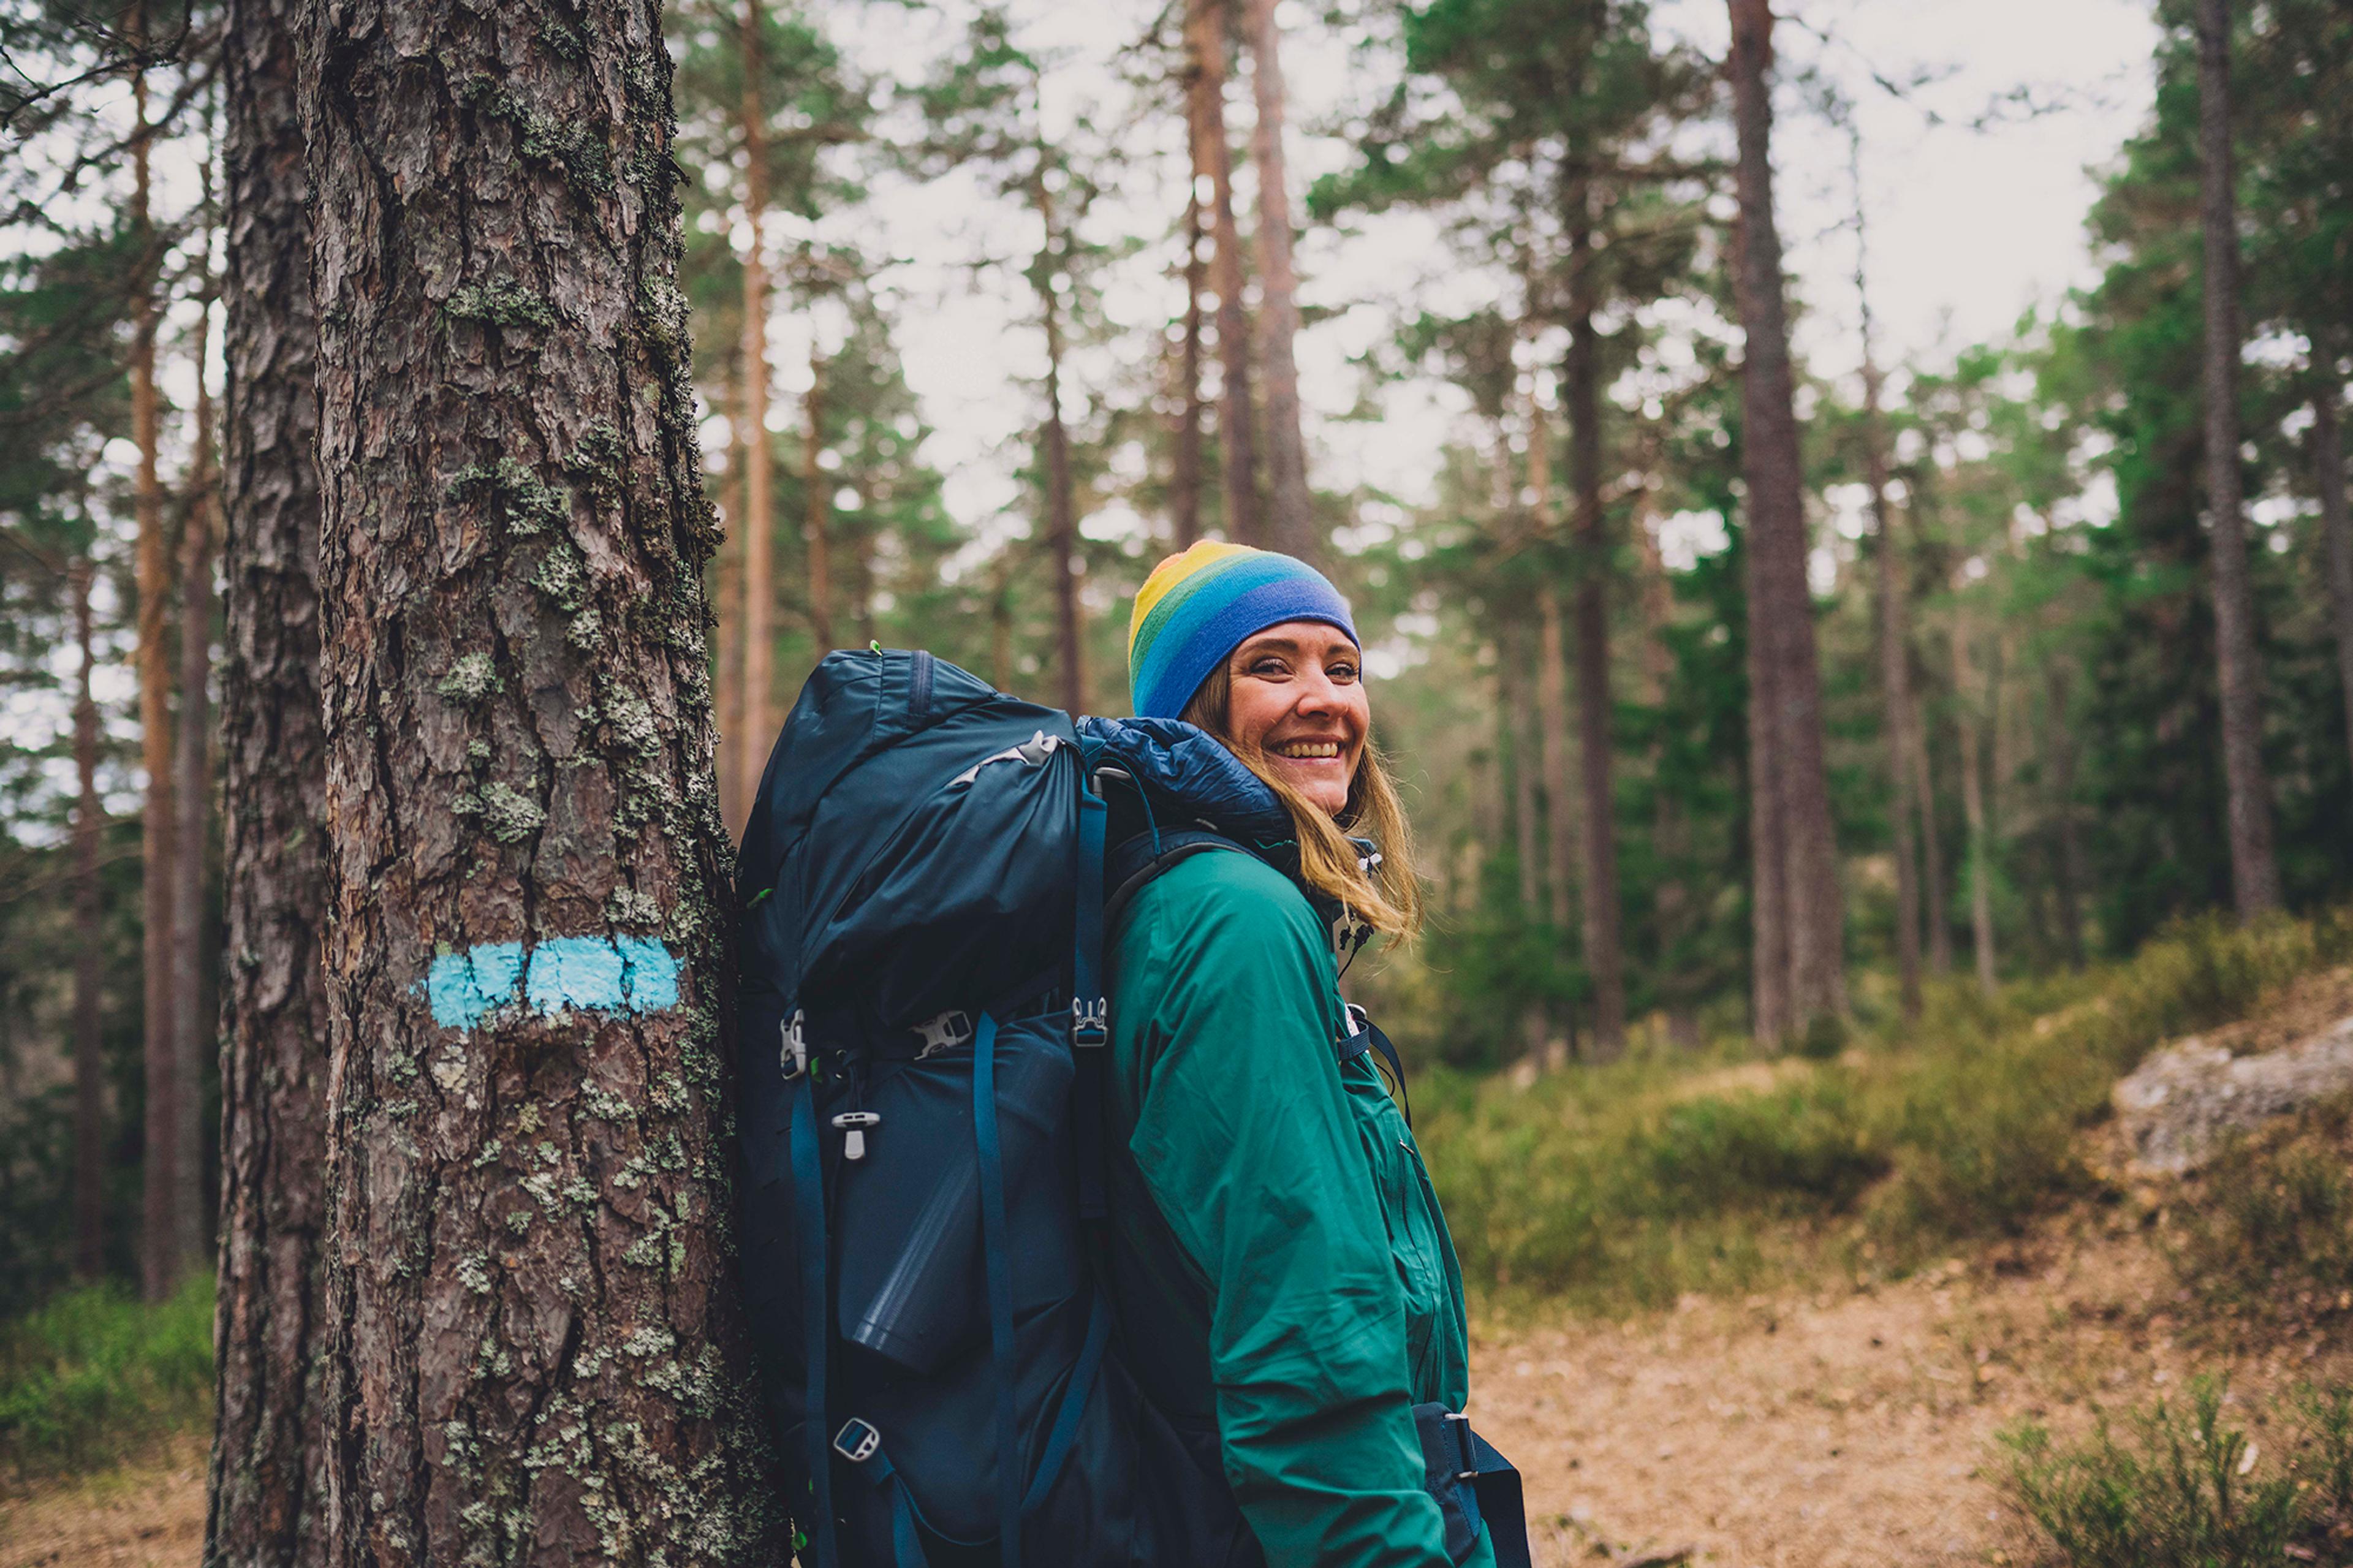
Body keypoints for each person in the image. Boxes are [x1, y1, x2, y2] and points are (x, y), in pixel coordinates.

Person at [1102, 540, 1500, 1567]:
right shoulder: (1232, 920)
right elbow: (1304, 1330)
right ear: (1191, 707)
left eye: (1343, 667)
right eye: (1269, 667)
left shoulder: (1212, 900)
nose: (1323, 699)